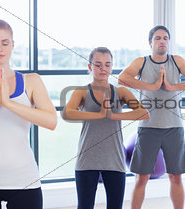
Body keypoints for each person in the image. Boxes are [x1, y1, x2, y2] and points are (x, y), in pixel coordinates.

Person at [118, 25, 185, 209]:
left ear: (169, 42)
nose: (162, 41)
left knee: (176, 176)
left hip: (174, 127)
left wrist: (172, 87)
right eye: (158, 38)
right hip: (148, 127)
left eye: (165, 38)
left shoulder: (177, 61)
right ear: (150, 42)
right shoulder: (141, 62)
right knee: (141, 178)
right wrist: (153, 85)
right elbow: (122, 79)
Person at [63, 47, 149, 209]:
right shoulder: (81, 92)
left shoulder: (121, 92)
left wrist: (113, 116)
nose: (103, 69)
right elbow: (67, 114)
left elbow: (143, 113)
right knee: (85, 206)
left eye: (107, 64)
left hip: (114, 159)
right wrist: (101, 114)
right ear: (90, 67)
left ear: (112, 66)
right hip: (87, 160)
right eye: (98, 65)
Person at [0, 19, 57, 209]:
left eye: (4, 43)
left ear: (12, 45)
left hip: (24, 179)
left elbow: (51, 121)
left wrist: (9, 103)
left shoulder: (31, 81)